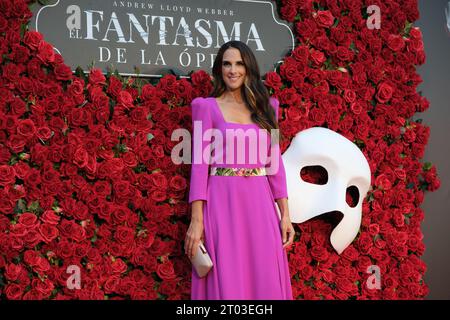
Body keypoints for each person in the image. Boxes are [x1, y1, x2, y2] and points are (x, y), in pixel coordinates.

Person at [184, 40, 294, 300]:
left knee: (264, 273)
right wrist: (196, 219)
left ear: (249, 68)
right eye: (226, 64)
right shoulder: (206, 107)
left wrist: (286, 214)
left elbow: (274, 164)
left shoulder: (268, 108)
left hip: (260, 204)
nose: (232, 70)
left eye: (239, 64)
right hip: (222, 203)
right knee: (227, 276)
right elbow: (200, 166)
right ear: (219, 69)